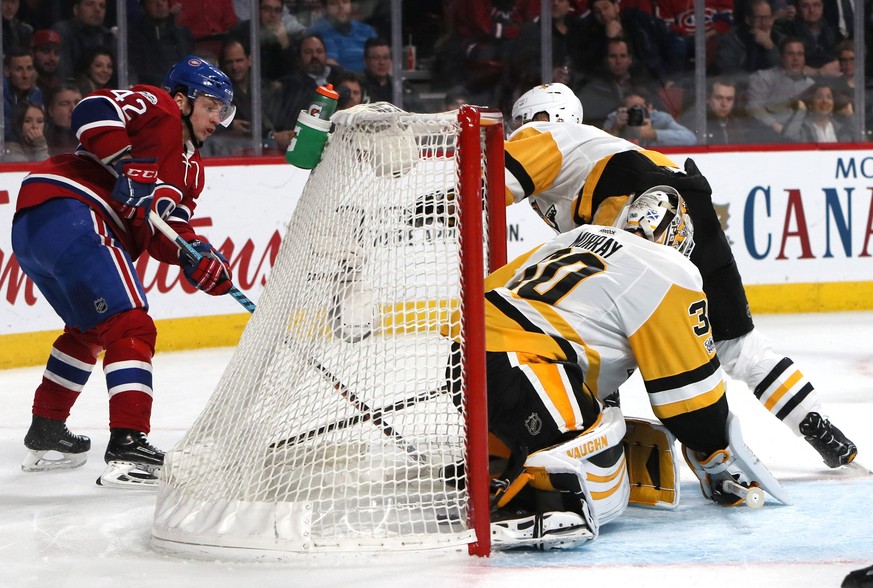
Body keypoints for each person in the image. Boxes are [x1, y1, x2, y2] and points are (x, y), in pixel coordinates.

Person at [502, 82, 858, 469]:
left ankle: (597, 431)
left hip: (644, 208)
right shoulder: (592, 147)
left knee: (604, 330)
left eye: (525, 119)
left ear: (550, 117)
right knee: (736, 342)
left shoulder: (546, 135)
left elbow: (488, 181)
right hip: (691, 201)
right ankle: (815, 423)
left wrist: (430, 207)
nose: (518, 129)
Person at [477, 186, 789, 550]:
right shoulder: (669, 269)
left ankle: (498, 460)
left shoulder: (578, 236)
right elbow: (689, 398)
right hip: (524, 367)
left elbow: (491, 288)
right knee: (599, 460)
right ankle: (528, 503)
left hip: (469, 363)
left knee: (600, 412)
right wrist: (714, 453)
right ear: (679, 237)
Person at [12, 55, 238, 488]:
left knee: (89, 330)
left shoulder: (192, 173)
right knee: (132, 324)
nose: (217, 118)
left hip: (40, 230)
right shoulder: (160, 107)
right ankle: (128, 445)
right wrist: (124, 158)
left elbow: (164, 231)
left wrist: (197, 257)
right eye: (211, 105)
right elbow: (91, 110)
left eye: (224, 111)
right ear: (183, 98)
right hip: (75, 210)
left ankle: (47, 433)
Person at [266, 33, 343, 151]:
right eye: (308, 52)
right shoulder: (289, 87)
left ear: (326, 55)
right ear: (299, 58)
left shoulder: (341, 78)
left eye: (319, 51)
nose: (315, 56)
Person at [577, 38, 657, 129]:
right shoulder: (594, 87)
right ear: (606, 60)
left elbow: (659, 115)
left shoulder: (643, 84)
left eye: (623, 56)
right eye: (613, 56)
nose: (618, 61)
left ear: (629, 59)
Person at [746, 37, 816, 141]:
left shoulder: (810, 84)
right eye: (790, 54)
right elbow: (753, 107)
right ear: (781, 57)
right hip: (769, 135)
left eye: (800, 54)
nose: (796, 59)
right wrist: (775, 126)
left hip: (803, 136)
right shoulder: (764, 78)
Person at [233, 0, 304, 82]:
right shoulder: (242, 33)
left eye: (277, 10)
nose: (272, 15)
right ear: (258, 10)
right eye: (267, 9)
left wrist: (285, 46)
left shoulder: (285, 37)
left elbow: (293, 73)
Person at [128, 0, 194, 87]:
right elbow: (138, 71)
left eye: (163, 0)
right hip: (153, 89)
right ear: (143, 7)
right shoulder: (134, 36)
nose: (159, 3)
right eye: (152, 1)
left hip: (183, 86)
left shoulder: (182, 33)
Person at [715, 0, 787, 79]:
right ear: (748, 20)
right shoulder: (732, 39)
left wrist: (770, 47)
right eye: (759, 18)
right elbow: (728, 71)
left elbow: (786, 71)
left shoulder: (782, 40)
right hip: (742, 88)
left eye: (767, 18)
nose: (763, 23)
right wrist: (757, 80)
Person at [602, 86, 697, 146]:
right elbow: (600, 145)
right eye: (630, 109)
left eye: (639, 108)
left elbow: (690, 139)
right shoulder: (615, 118)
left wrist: (653, 133)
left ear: (649, 108)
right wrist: (615, 129)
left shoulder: (661, 119)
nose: (635, 112)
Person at [52, 0, 117, 82]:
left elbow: (125, 71)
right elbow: (63, 75)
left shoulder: (108, 37)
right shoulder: (63, 31)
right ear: (76, 9)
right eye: (89, 4)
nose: (97, 9)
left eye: (102, 6)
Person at [306, 0, 377, 73]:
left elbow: (380, 58)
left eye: (345, 2)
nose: (341, 7)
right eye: (334, 3)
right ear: (325, 8)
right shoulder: (317, 32)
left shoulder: (367, 30)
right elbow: (331, 64)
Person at [681, 77, 757, 144]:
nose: (724, 104)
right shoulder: (693, 122)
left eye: (729, 99)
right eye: (719, 98)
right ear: (708, 98)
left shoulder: (738, 123)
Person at [783, 80, 858, 142]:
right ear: (811, 103)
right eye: (819, 97)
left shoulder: (842, 128)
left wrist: (850, 117)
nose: (825, 101)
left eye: (829, 97)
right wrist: (801, 110)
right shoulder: (803, 128)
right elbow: (789, 138)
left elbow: (862, 142)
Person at [361, 37, 418, 109]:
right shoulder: (359, 87)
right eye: (376, 58)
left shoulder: (403, 86)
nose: (382, 62)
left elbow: (420, 110)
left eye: (385, 57)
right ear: (366, 60)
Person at [4, 47, 44, 142]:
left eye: (29, 68)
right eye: (19, 69)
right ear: (7, 71)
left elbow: (42, 126)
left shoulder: (36, 94)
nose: (25, 75)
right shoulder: (2, 94)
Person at [44, 83, 83, 156]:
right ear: (50, 110)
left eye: (77, 103)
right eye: (65, 104)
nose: (73, 108)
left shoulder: (92, 140)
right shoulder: (42, 144)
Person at [31, 28, 63, 95]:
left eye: (56, 53)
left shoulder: (60, 85)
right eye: (46, 52)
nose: (52, 58)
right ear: (33, 54)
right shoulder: (25, 84)